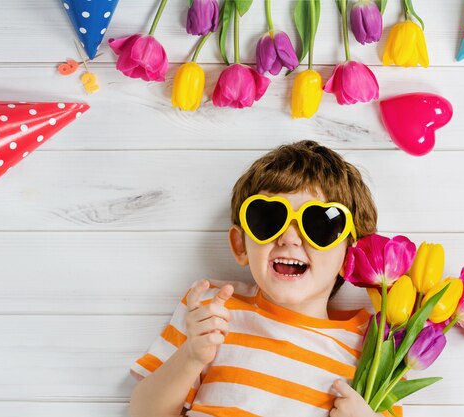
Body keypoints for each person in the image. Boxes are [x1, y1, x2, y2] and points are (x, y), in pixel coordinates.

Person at [128, 140, 402, 417]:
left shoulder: (375, 347)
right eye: (269, 219)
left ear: (350, 257)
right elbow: (143, 413)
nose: (289, 238)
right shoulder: (212, 309)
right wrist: (190, 356)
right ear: (240, 245)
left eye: (319, 224)